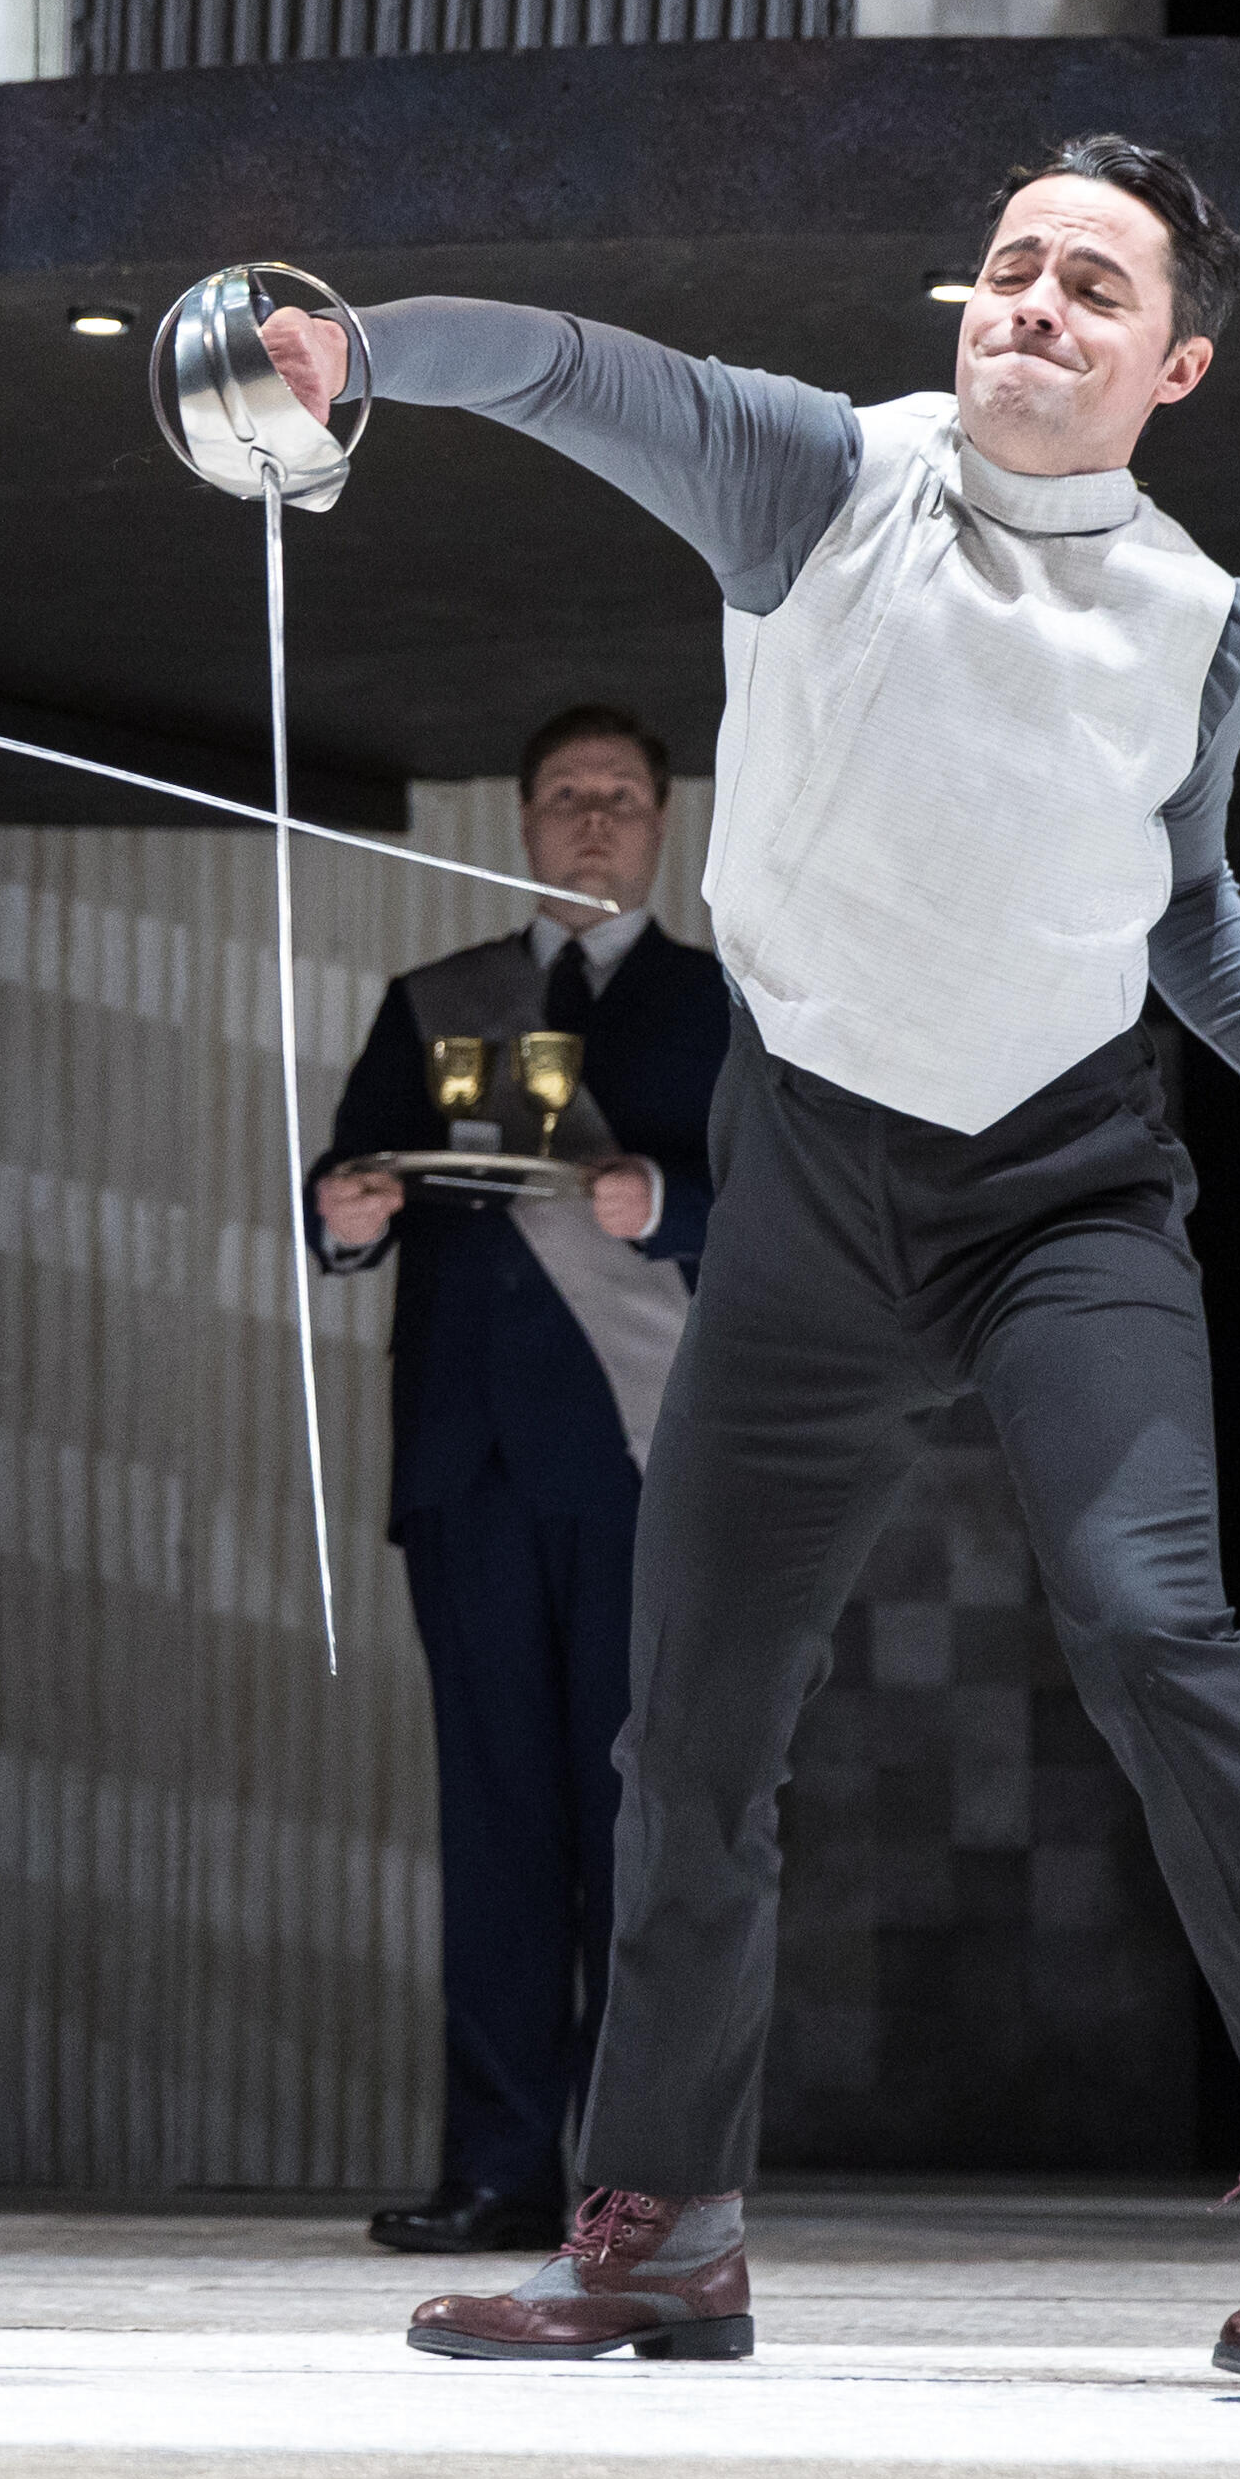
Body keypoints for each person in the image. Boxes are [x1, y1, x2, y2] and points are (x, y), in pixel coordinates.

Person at [272, 137, 1240, 2402]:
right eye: (1009, 265)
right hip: (814, 1186)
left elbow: (1180, 895)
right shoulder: (819, 482)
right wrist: (361, 361)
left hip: (1066, 1187)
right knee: (694, 1728)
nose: (1029, 301)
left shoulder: (1203, 621)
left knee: (1153, 1616)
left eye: (1087, 285)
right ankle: (659, 2227)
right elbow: (571, 373)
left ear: (1172, 362)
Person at [309, 704, 726, 2256]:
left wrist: (663, 1198)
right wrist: (346, 1210)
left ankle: (636, 2175)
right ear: (525, 820)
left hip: (636, 1460)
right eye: (569, 797)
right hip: (469, 1468)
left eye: (622, 796)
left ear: (664, 821)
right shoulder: (440, 1003)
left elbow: (787, 1219)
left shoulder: (722, 1007)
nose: (597, 820)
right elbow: (347, 1190)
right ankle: (498, 2171)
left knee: (632, 1825)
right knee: (493, 1833)